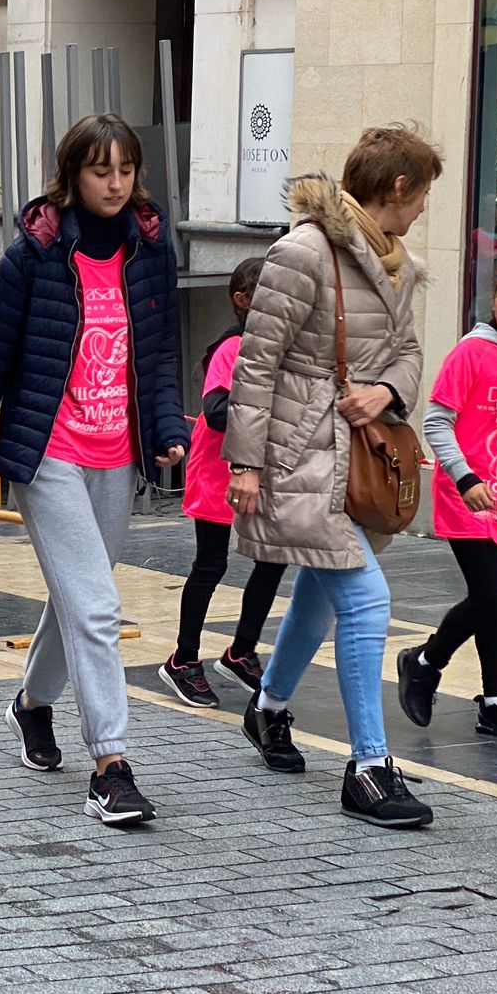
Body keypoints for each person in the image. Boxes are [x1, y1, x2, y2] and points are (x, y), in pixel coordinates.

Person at [0, 115, 188, 828]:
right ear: (72, 175)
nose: (115, 184)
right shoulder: (36, 255)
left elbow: (160, 352)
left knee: (81, 600)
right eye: (100, 171)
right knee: (100, 608)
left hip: (116, 455)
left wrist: (168, 427)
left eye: (126, 171)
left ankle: (31, 704)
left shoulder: (148, 250)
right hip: (45, 451)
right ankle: (110, 765)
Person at [227, 126, 438, 829]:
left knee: (322, 587)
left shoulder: (398, 262)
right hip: (301, 453)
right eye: (422, 194)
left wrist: (388, 393)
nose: (422, 212)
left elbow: (407, 351)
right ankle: (369, 767)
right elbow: (256, 364)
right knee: (368, 601)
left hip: (359, 459)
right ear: (399, 187)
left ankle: (268, 708)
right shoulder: (304, 251)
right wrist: (247, 463)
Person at [396, 257, 497, 743]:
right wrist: (465, 477)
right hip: (466, 491)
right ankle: (425, 662)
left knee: (495, 602)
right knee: (491, 596)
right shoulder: (471, 353)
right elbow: (436, 422)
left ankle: (492, 702)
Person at [160, 258, 288, 706]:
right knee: (211, 565)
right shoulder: (232, 348)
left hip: (264, 471)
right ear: (243, 301)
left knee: (273, 559)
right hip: (219, 469)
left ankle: (241, 652)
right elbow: (214, 410)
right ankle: (183, 659)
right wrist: (263, 407)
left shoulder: (280, 348)